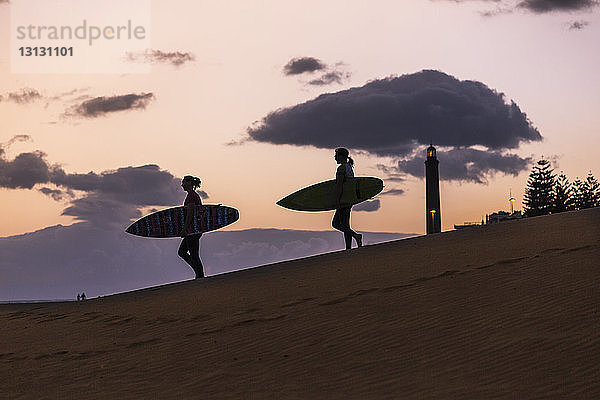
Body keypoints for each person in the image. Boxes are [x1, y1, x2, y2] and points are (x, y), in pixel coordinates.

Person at [332, 148, 362, 250]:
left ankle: (356, 236)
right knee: (345, 224)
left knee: (335, 223)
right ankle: (348, 248)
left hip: (343, 199)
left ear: (341, 156)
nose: (334, 157)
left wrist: (337, 200)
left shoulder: (341, 168)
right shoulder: (349, 167)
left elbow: (339, 186)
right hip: (349, 199)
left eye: (336, 155)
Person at [178, 175, 205, 279]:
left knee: (193, 254)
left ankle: (200, 275)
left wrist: (184, 229)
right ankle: (199, 273)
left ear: (189, 183)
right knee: (183, 252)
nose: (182, 185)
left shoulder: (191, 196)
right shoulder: (193, 195)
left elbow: (190, 214)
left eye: (183, 182)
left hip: (192, 230)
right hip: (194, 229)